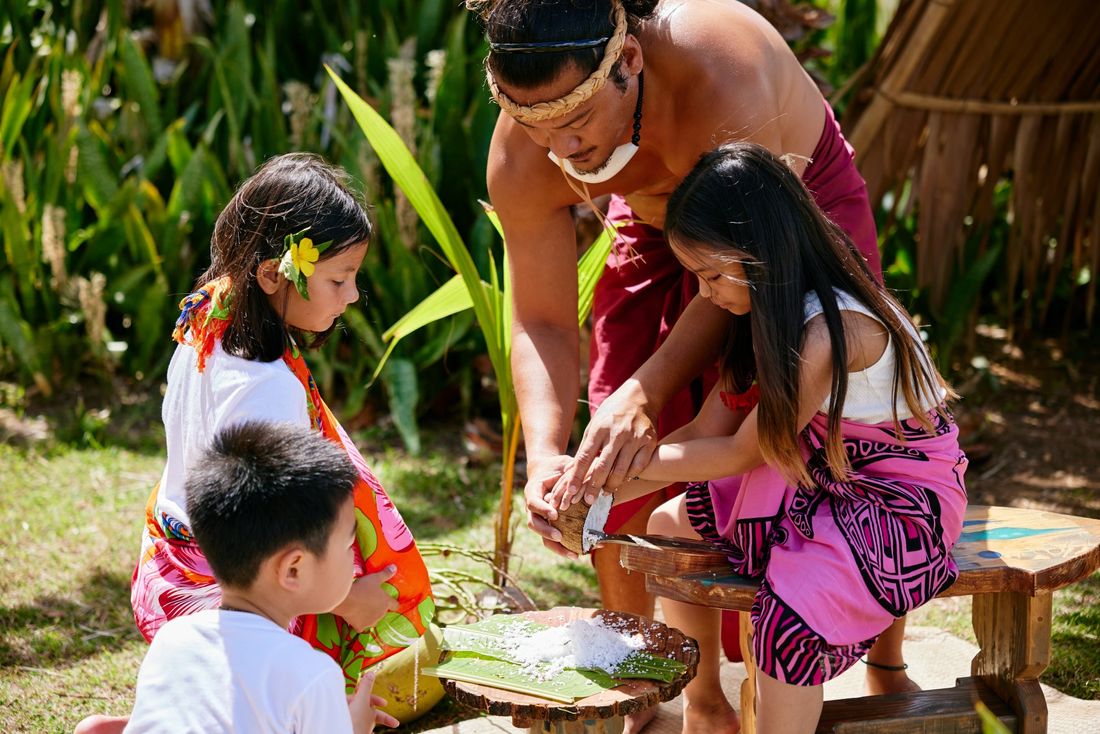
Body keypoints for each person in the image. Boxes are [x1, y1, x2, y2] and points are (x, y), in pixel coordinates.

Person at [472, 0, 909, 716]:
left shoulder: (719, 68)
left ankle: (885, 663)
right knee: (609, 444)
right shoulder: (527, 152)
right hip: (653, 227)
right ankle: (667, 685)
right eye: (533, 126)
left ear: (630, 64)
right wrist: (548, 456)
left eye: (575, 125)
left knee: (841, 442)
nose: (558, 149)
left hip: (789, 223)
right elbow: (543, 318)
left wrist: (647, 395)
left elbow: (751, 268)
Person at [552, 143, 968, 733]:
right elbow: (703, 433)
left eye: (711, 275)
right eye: (695, 277)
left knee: (786, 616)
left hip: (895, 497)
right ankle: (705, 706)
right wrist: (595, 494)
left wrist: (608, 476)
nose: (706, 294)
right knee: (671, 526)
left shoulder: (829, 331)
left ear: (761, 250)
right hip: (818, 469)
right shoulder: (765, 312)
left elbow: (742, 452)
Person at [130, 153, 434, 690]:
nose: (354, 295)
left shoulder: (205, 320)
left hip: (167, 568)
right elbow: (273, 543)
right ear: (272, 274)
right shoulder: (268, 389)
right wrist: (346, 602)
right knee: (345, 692)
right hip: (229, 601)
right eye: (340, 280)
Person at [127, 421, 401, 733]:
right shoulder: (311, 673)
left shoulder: (172, 639)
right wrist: (354, 726)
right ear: (293, 569)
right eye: (348, 544)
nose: (354, 557)